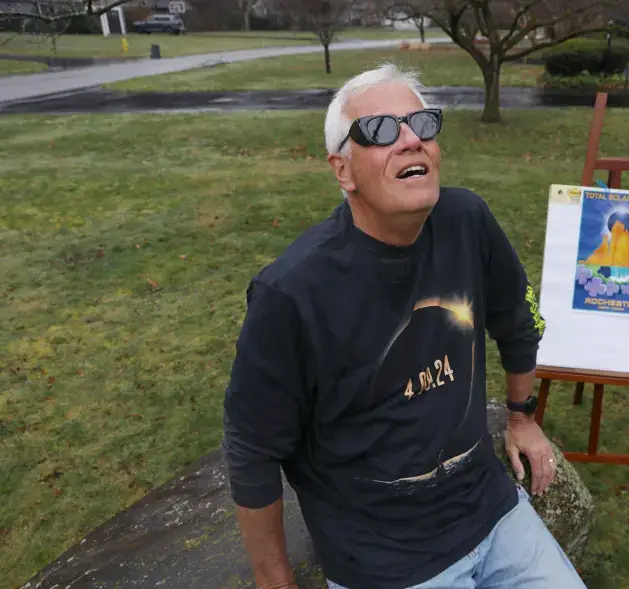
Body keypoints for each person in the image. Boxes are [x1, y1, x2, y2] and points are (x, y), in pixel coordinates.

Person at [222, 63, 588, 589]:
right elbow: (252, 446)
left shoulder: (467, 221)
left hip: (491, 512)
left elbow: (518, 319)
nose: (412, 139)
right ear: (343, 170)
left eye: (423, 123)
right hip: (385, 559)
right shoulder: (292, 294)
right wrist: (274, 578)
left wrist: (522, 416)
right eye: (379, 130)